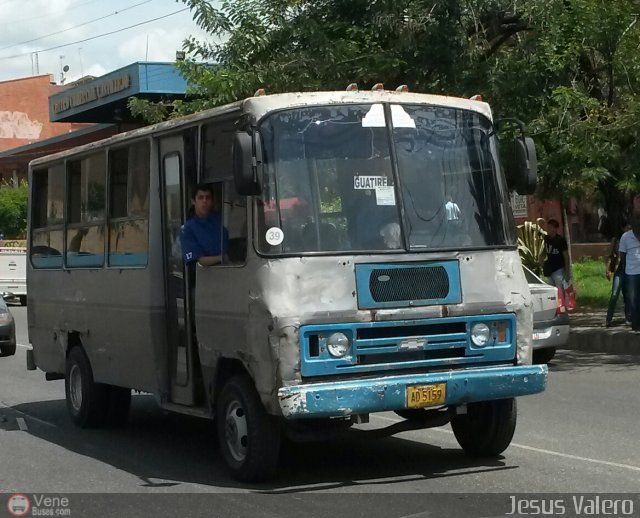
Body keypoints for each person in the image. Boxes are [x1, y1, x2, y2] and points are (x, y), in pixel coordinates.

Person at [180, 183, 228, 267]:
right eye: (200, 198)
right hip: (205, 275)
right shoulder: (187, 229)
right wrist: (221, 258)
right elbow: (199, 260)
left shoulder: (221, 219)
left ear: (212, 201)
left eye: (208, 197)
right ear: (193, 201)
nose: (204, 201)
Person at [605, 223, 631, 327]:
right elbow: (609, 255)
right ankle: (608, 319)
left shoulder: (633, 239)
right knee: (615, 294)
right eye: (627, 228)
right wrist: (607, 269)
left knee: (628, 296)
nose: (628, 230)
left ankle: (628, 318)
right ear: (622, 228)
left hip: (630, 270)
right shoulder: (616, 240)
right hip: (618, 270)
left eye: (630, 228)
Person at [618, 216, 640, 333]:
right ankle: (636, 324)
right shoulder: (626, 237)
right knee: (633, 299)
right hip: (631, 272)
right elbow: (622, 255)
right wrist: (627, 266)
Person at [543, 218, 571, 304]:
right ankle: (553, 306)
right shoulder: (546, 238)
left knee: (559, 289)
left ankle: (561, 306)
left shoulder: (560, 240)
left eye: (551, 228)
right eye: (548, 227)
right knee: (551, 290)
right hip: (550, 268)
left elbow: (566, 256)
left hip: (558, 268)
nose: (548, 230)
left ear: (555, 229)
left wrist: (567, 270)